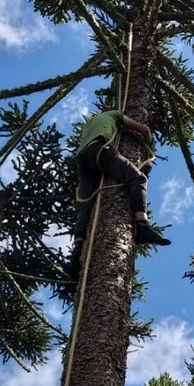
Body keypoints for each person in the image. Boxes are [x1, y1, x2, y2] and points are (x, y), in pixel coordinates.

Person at [67, 109, 171, 281]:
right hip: (99, 148)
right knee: (137, 178)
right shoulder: (114, 114)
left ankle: (78, 247)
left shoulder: (90, 124)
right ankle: (143, 226)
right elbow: (144, 129)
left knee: (88, 202)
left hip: (82, 158)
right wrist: (149, 146)